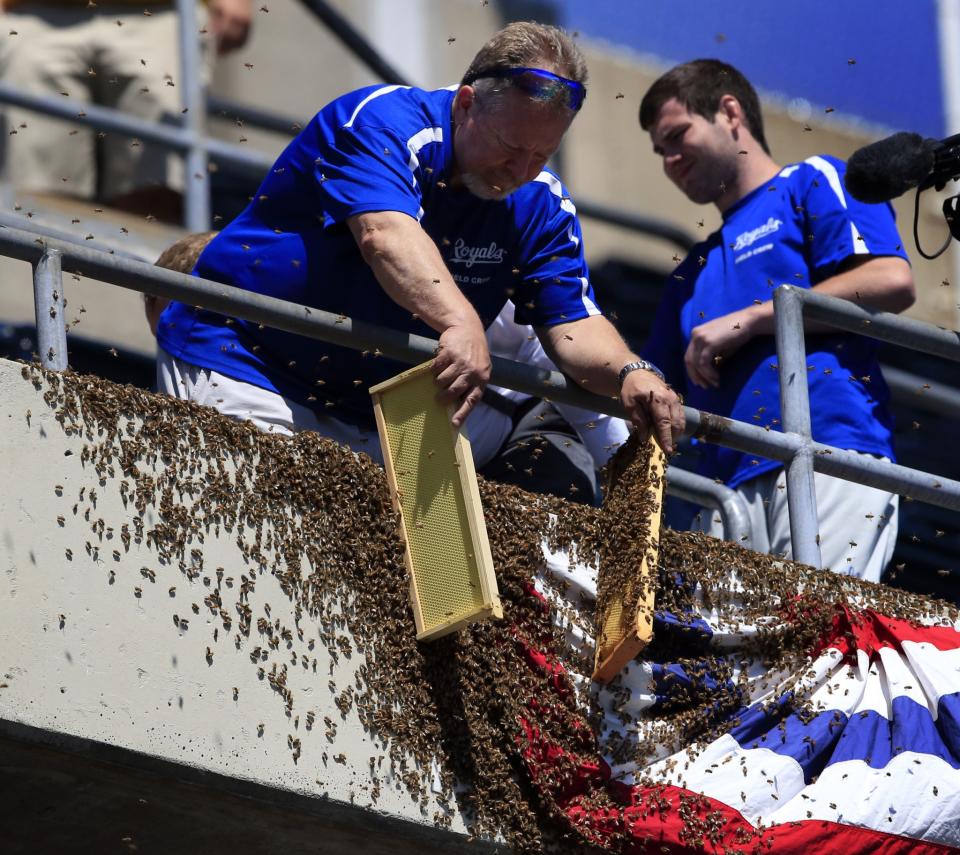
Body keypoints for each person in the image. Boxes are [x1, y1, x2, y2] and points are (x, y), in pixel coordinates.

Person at [154, 22, 683, 469]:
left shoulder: (541, 203)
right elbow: (386, 235)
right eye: (510, 148)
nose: (521, 172)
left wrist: (630, 373)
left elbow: (572, 326)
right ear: (468, 103)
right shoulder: (380, 120)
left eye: (542, 155)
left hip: (374, 412)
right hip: (243, 360)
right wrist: (460, 320)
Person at [638, 59, 916, 581]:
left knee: (819, 646)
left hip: (829, 455)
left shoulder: (812, 180)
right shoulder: (692, 271)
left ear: (729, 112)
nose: (670, 160)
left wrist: (752, 319)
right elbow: (649, 383)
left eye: (677, 136)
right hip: (722, 491)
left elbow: (890, 279)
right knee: (736, 664)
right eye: (660, 151)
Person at [149, 230, 630, 504]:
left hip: (533, 432)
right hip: (444, 456)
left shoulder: (385, 270)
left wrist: (628, 480)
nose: (190, 340)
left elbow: (550, 343)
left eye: (192, 318)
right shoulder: (278, 364)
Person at [0, 0, 252, 220]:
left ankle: (145, 269)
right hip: (32, 14)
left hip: (161, 12)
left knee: (155, 190)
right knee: (34, 191)